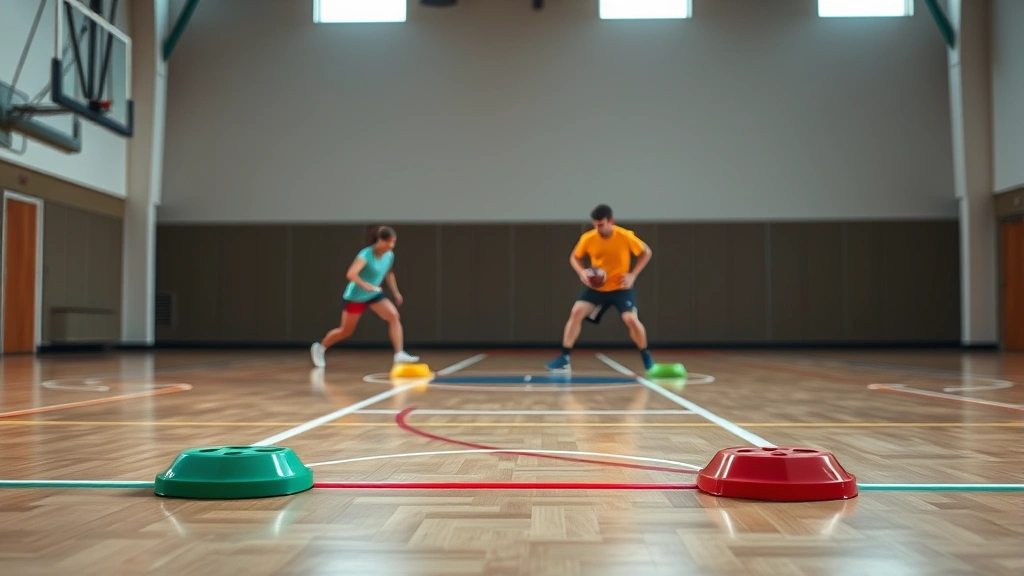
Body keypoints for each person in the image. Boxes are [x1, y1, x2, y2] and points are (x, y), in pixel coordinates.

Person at [546, 204, 654, 372]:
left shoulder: (624, 236)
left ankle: (646, 357)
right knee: (576, 312)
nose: (598, 228)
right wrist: (582, 272)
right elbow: (574, 257)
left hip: (620, 288)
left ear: (611, 221)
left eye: (601, 225)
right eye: (595, 225)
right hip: (597, 288)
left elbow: (646, 252)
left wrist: (633, 275)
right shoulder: (588, 238)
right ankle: (564, 357)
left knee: (631, 320)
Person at [310, 226, 419, 368]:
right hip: (355, 297)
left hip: (374, 295)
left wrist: (396, 292)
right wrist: (365, 285)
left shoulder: (389, 255)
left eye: (393, 242)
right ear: (379, 240)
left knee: (393, 316)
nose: (391, 246)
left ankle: (399, 354)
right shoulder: (366, 254)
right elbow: (351, 274)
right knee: (345, 331)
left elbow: (389, 273)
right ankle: (320, 347)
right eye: (388, 242)